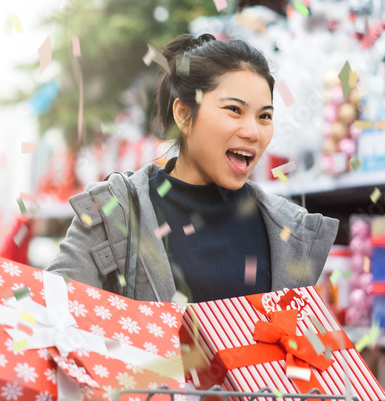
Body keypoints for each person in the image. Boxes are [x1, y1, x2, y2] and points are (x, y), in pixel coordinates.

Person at [47, 34, 338, 303]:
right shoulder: (114, 210)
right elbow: (52, 315)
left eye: (264, 116)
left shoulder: (288, 230)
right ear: (184, 115)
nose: (253, 132)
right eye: (234, 110)